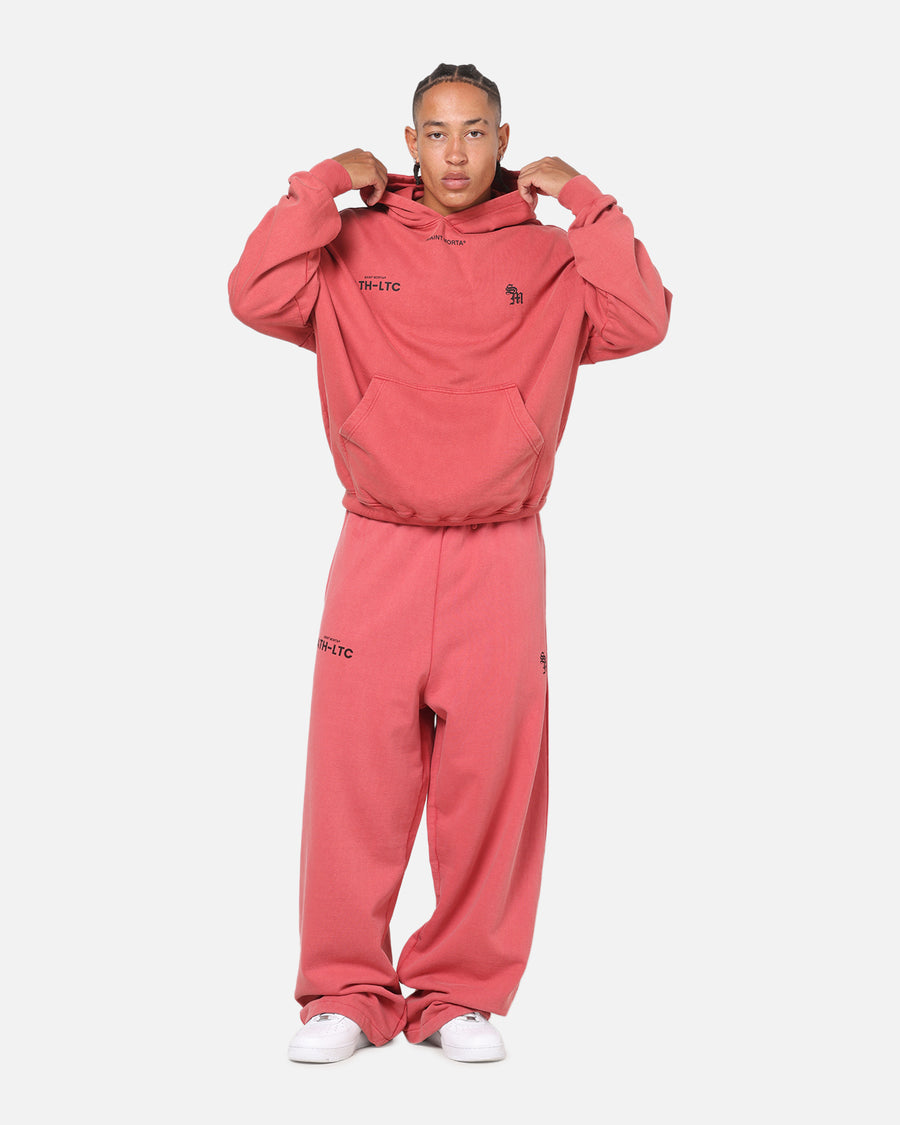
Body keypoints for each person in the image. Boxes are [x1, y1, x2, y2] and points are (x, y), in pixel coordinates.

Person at [228, 62, 671, 1064]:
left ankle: (459, 993)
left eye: (475, 132)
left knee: (490, 781)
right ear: (410, 142)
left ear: (504, 140)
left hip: (500, 551)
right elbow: (253, 292)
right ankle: (343, 992)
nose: (457, 152)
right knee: (355, 779)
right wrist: (322, 183)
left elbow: (643, 318)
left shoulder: (551, 258)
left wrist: (585, 200)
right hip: (377, 542)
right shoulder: (351, 245)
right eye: (437, 132)